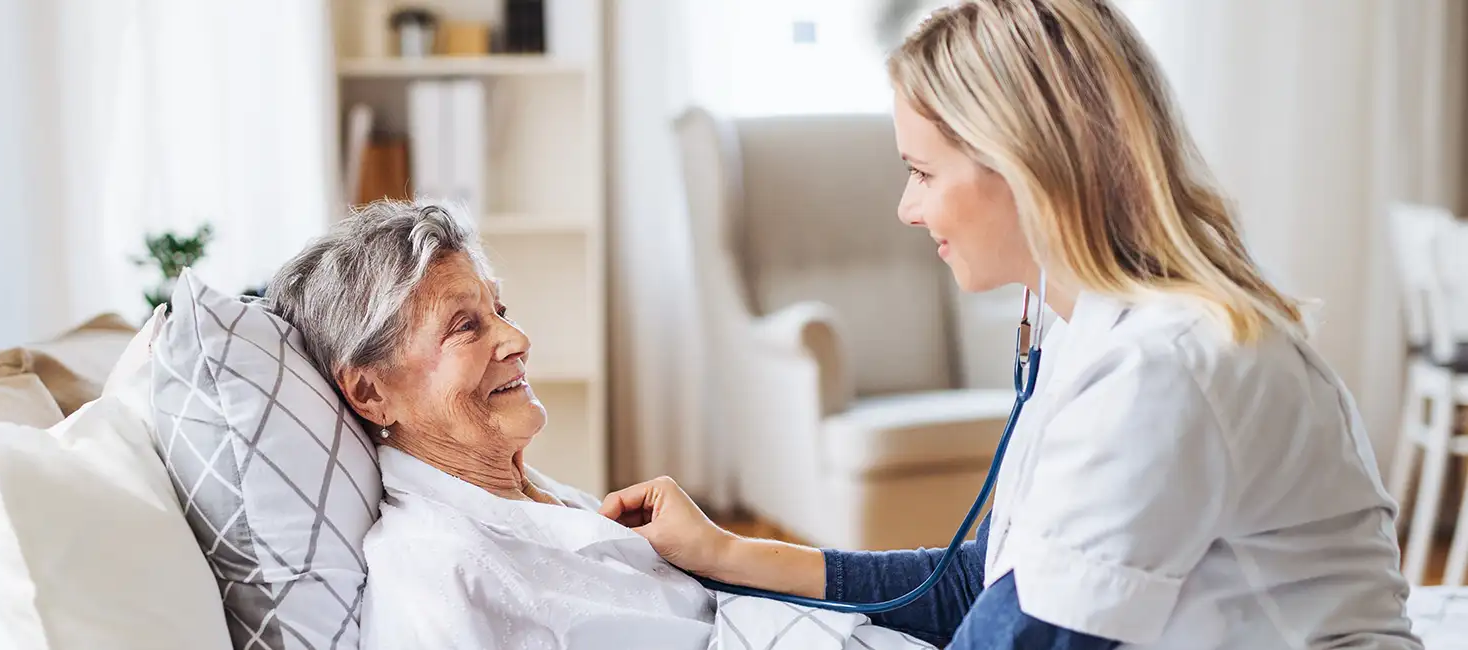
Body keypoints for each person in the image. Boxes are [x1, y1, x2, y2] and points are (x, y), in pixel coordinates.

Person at [599, 1, 1423, 648]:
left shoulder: (1165, 365)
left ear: (1025, 166)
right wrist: (726, 554)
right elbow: (976, 587)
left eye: (921, 171)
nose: (907, 208)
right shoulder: (1088, 332)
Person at [264, 202, 716, 649]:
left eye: (500, 311)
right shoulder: (436, 574)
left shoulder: (530, 495)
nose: (518, 340)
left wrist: (719, 553)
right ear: (370, 393)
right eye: (465, 327)